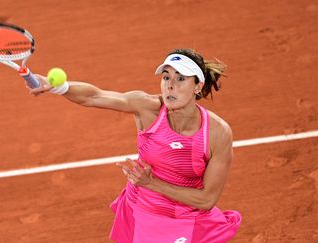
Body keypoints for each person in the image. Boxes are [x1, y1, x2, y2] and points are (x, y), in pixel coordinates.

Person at [29, 48, 241, 243]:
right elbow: (94, 96)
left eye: (180, 79)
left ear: (198, 86)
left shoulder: (217, 133)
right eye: (166, 77)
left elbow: (206, 200)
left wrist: (151, 183)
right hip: (143, 210)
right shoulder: (147, 108)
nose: (170, 85)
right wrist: (59, 87)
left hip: (188, 216)